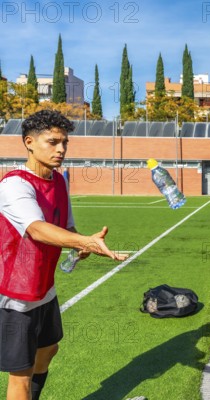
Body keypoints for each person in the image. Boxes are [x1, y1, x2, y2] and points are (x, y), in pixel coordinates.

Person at [0, 110, 128, 400]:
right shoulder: (14, 184)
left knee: (48, 349)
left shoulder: (59, 180)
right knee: (20, 374)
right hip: (15, 292)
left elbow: (65, 227)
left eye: (65, 143)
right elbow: (38, 230)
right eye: (53, 142)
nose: (61, 149)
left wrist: (80, 244)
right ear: (29, 142)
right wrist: (84, 241)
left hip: (44, 286)